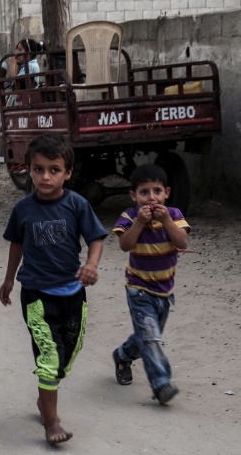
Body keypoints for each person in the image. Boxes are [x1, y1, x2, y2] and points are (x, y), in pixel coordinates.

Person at [0, 133, 107, 445]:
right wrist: (9, 278)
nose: (45, 177)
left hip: (73, 295)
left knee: (67, 355)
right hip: (35, 296)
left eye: (54, 170)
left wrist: (92, 264)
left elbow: (96, 238)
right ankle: (51, 421)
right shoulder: (23, 208)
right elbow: (16, 244)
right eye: (38, 169)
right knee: (48, 358)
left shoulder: (77, 204)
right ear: (28, 169)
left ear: (68, 172)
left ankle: (46, 397)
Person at [112, 164, 190, 404]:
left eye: (157, 191)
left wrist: (166, 220)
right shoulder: (129, 216)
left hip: (165, 292)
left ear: (166, 192)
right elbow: (125, 245)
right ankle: (161, 383)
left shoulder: (174, 214)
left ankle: (123, 355)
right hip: (139, 289)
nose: (151, 197)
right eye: (144, 192)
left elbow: (182, 242)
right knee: (151, 338)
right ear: (134, 196)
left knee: (147, 337)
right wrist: (138, 223)